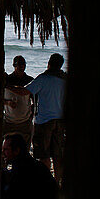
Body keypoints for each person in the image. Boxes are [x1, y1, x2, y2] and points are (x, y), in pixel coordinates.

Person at [28, 53, 67, 183]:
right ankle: (57, 182)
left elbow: (27, 91)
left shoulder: (44, 79)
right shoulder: (64, 80)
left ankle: (45, 182)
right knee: (57, 155)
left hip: (44, 121)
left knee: (43, 154)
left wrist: (9, 87)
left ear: (49, 63)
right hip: (60, 121)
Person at [4, 56, 34, 139]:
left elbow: (34, 100)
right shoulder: (7, 79)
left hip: (25, 121)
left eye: (23, 64)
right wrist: (8, 103)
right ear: (14, 65)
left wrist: (32, 114)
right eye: (19, 65)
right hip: (9, 120)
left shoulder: (30, 80)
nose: (21, 67)